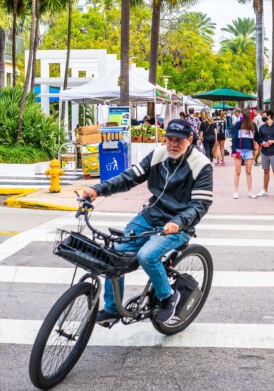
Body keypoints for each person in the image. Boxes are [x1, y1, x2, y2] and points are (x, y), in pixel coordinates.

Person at [81, 118, 213, 326]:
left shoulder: (201, 165)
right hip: (150, 216)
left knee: (147, 256)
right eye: (169, 139)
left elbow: (200, 205)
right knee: (114, 253)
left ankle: (167, 296)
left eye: (178, 140)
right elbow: (129, 177)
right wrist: (98, 189)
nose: (172, 144)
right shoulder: (158, 155)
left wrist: (178, 222)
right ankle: (112, 309)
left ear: (190, 140)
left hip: (178, 225)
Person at [231, 108, 260, 199]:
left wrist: (262, 142)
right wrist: (234, 150)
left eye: (242, 115)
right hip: (239, 149)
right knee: (238, 171)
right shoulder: (238, 124)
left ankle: (250, 191)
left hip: (248, 150)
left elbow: (257, 137)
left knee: (248, 171)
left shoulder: (253, 125)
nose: (240, 117)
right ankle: (235, 191)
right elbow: (234, 137)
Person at [256, 109, 274, 198]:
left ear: (269, 116)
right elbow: (259, 138)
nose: (263, 117)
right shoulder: (262, 127)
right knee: (265, 171)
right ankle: (265, 190)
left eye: (264, 115)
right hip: (264, 152)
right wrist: (262, 142)